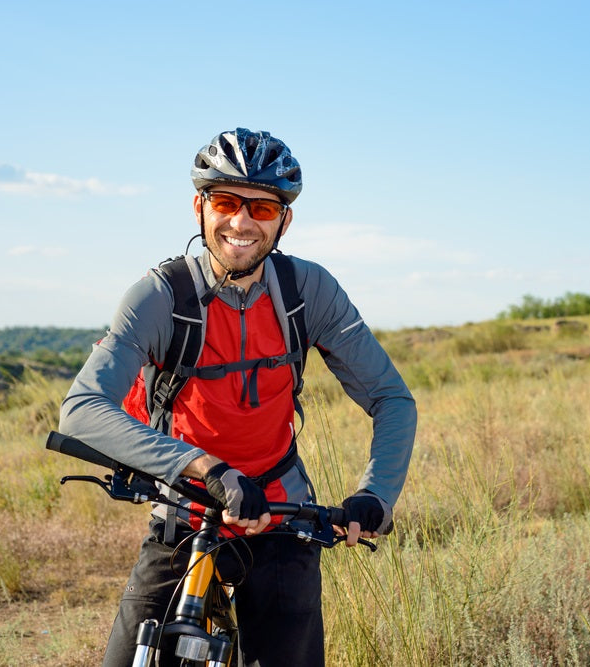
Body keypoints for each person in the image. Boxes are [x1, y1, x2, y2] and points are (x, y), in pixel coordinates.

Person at [58, 128, 417, 666]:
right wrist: (206, 468)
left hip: (279, 507)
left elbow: (392, 398)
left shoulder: (308, 291)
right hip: (188, 500)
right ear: (199, 207)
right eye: (226, 202)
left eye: (263, 208)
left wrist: (376, 496)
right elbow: (82, 407)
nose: (242, 222)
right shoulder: (162, 296)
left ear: (284, 220)